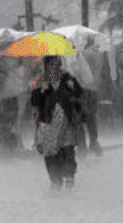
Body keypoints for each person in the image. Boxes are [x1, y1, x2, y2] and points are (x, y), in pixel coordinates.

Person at [29, 55, 85, 189]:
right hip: (47, 122)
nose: (54, 67)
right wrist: (36, 132)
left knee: (67, 149)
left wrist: (71, 92)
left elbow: (79, 94)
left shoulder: (68, 78)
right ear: (46, 66)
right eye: (51, 65)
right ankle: (55, 182)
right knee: (50, 154)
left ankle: (69, 179)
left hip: (66, 122)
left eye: (57, 64)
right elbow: (35, 104)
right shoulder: (40, 81)